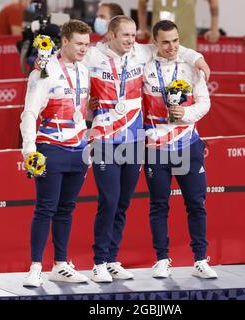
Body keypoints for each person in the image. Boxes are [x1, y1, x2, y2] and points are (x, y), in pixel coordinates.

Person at [83, 15, 210, 283]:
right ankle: (98, 263)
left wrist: (198, 58)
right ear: (111, 35)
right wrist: (40, 65)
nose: (130, 40)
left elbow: (176, 47)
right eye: (125, 35)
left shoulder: (142, 52)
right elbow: (67, 59)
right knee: (109, 200)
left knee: (122, 203)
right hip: (107, 138)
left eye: (133, 35)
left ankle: (111, 259)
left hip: (133, 138)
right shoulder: (93, 55)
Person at [142, 20, 218, 279]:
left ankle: (200, 259)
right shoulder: (145, 65)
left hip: (188, 145)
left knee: (196, 204)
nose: (172, 46)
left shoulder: (190, 65)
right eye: (165, 42)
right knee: (159, 205)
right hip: (156, 147)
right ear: (155, 42)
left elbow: (204, 103)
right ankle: (162, 259)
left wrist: (185, 113)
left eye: (175, 40)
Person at [20, 19, 92, 287]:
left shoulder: (84, 71)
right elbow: (29, 113)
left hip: (78, 151)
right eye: (79, 44)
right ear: (65, 42)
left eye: (87, 44)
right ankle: (35, 267)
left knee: (66, 209)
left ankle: (60, 264)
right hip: (50, 147)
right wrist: (29, 151)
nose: (84, 49)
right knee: (45, 208)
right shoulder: (45, 69)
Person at [137, 0, 220, 49]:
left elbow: (213, 3)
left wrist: (214, 29)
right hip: (158, 44)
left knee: (185, 77)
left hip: (186, 44)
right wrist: (142, 28)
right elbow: (142, 2)